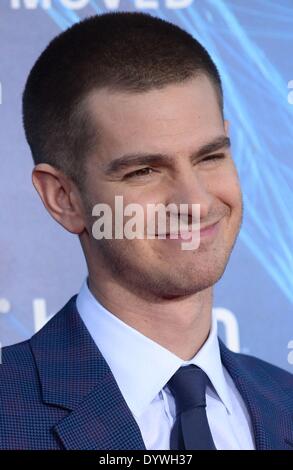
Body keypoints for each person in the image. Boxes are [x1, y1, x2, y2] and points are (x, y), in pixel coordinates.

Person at [1, 12, 292, 451]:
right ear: (63, 197)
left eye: (209, 157)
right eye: (144, 171)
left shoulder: (284, 400)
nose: (195, 203)